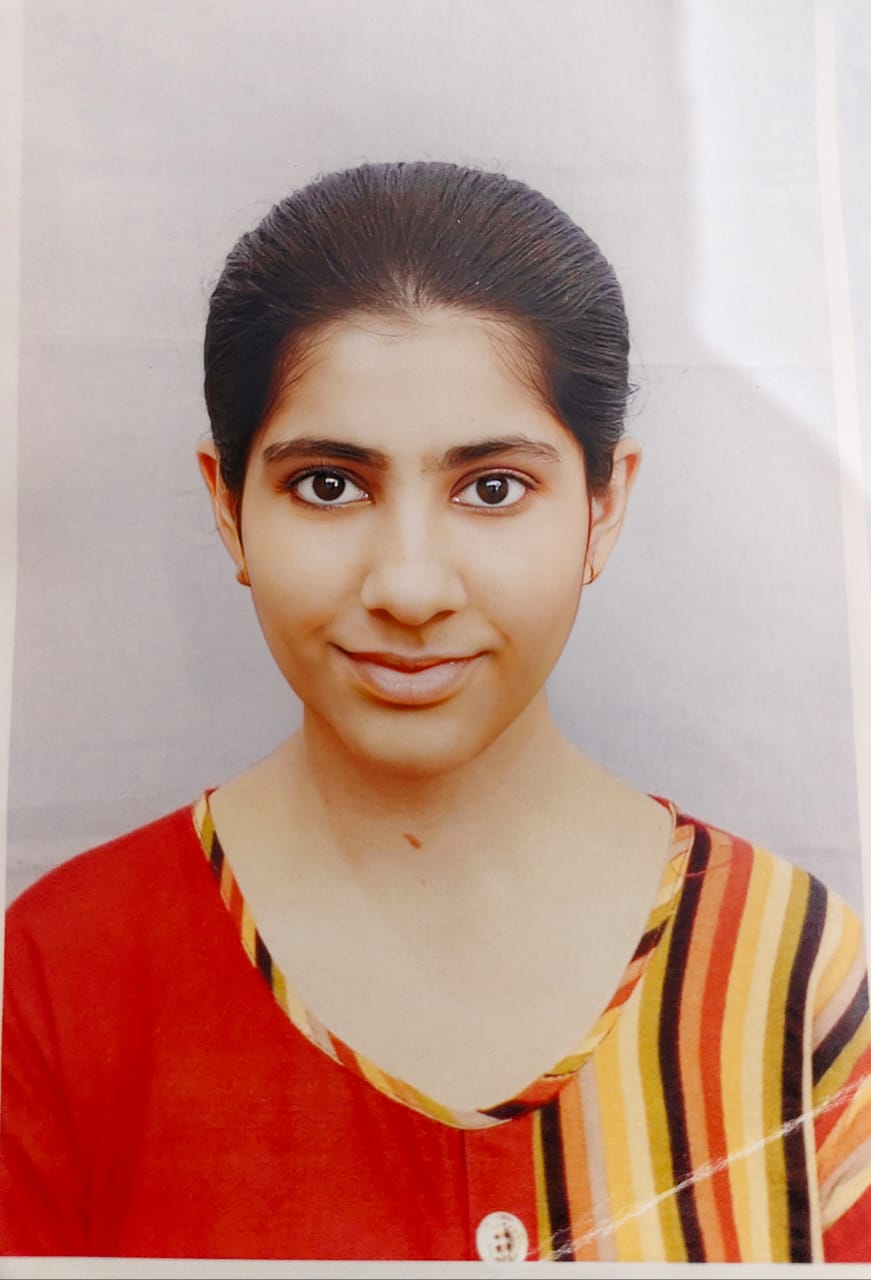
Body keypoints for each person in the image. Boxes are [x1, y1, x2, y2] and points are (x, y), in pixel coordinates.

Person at [1, 161, 869, 1264]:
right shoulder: (60, 975)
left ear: (604, 506)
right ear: (227, 505)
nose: (408, 587)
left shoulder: (792, 976)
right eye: (329, 483)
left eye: (492, 487)